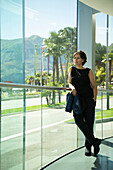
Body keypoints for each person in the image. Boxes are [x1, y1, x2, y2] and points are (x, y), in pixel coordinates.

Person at [68, 50, 101, 156]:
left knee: (89, 123)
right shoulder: (71, 69)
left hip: (88, 99)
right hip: (77, 100)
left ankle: (88, 147)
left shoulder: (88, 71)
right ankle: (94, 142)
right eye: (74, 58)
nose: (75, 60)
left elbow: (94, 85)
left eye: (78, 58)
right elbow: (69, 82)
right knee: (78, 120)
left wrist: (94, 99)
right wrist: (72, 88)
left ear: (82, 60)